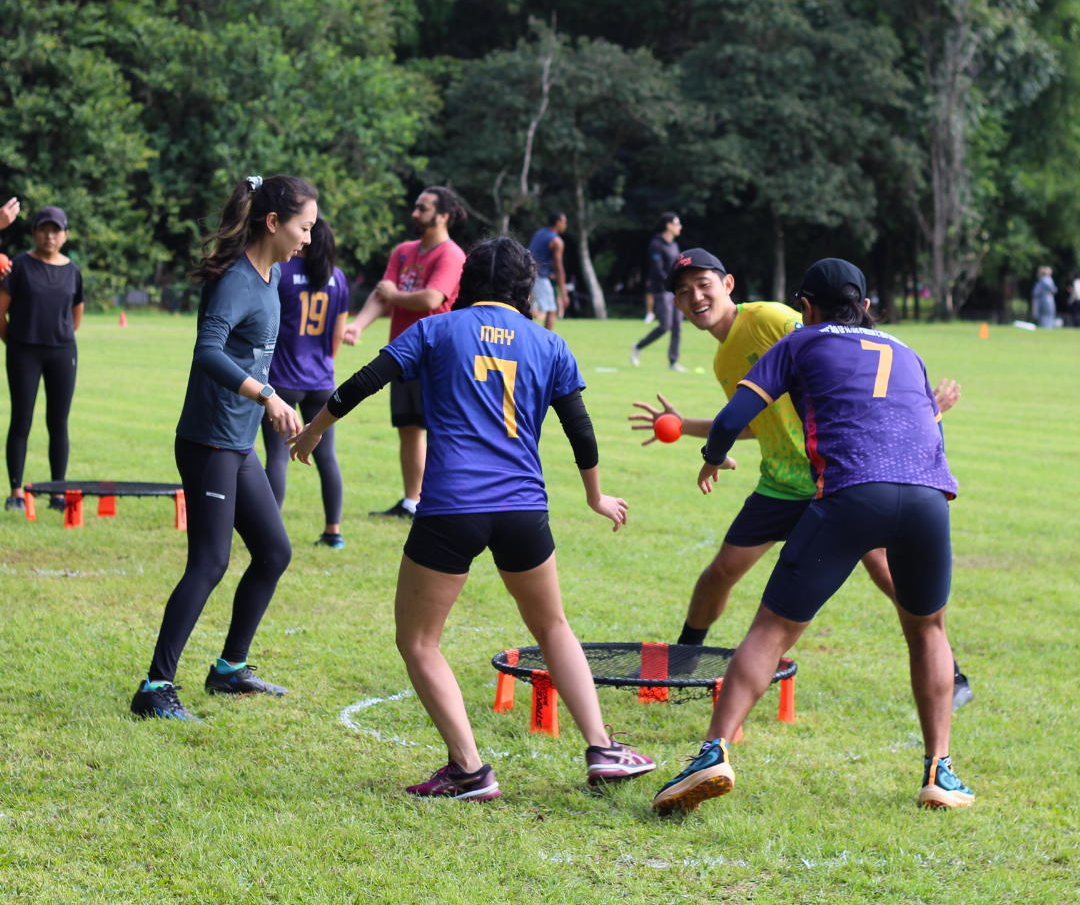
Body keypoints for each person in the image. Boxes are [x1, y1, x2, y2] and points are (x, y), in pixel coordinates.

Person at [290, 237, 655, 799]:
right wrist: (595, 496)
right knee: (553, 627)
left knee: (418, 642)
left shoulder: (435, 329)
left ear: (466, 283)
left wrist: (314, 430)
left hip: (451, 508)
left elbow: (364, 381)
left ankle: (469, 770)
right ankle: (603, 748)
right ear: (525, 287)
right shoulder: (549, 343)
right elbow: (580, 429)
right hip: (523, 508)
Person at [652, 259, 974, 814]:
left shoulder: (800, 341)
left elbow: (731, 420)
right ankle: (939, 771)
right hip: (927, 499)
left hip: (851, 494)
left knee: (772, 629)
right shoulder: (907, 351)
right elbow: (926, 424)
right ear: (866, 306)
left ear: (805, 307)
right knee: (928, 630)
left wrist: (712, 455)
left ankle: (712, 752)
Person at [130, 175, 316, 722]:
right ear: (273, 222)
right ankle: (155, 687)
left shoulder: (271, 276)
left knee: (274, 552)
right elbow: (207, 351)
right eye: (304, 227)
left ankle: (230, 669)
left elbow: (250, 354)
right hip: (209, 441)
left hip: (236, 443)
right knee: (209, 562)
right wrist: (267, 396)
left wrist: (276, 401)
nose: (308, 239)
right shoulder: (236, 281)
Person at [341, 186, 467, 519]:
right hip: (402, 356)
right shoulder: (403, 251)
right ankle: (413, 503)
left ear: (443, 216)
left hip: (437, 358)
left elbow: (431, 298)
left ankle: (444, 505)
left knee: (441, 432)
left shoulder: (451, 254)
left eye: (423, 208)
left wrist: (396, 294)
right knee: (409, 428)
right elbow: (381, 295)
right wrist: (358, 326)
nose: (415, 213)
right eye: (416, 207)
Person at [261, 217, 350, 549]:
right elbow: (338, 334)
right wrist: (323, 363)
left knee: (277, 457)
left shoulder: (281, 271)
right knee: (327, 458)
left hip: (282, 379)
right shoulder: (338, 278)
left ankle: (268, 533)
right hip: (322, 381)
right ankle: (333, 532)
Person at [0, 206, 83, 513]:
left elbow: (76, 317)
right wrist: (17, 343)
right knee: (21, 420)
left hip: (62, 352)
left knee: (58, 422)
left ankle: (58, 492)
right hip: (24, 352)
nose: (50, 236)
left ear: (65, 235)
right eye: (43, 229)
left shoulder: (73, 271)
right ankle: (16, 493)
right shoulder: (18, 266)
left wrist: (56, 338)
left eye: (56, 230)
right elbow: (0, 313)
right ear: (34, 232)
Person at [631, 213, 684, 371]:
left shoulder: (674, 245)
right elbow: (658, 269)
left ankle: (673, 362)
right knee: (665, 325)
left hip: (676, 289)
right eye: (677, 223)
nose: (679, 227)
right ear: (668, 225)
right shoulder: (656, 244)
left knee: (677, 325)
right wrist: (670, 283)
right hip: (662, 290)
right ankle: (638, 346)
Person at [527, 212, 569, 329]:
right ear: (558, 223)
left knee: (526, 309)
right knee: (551, 310)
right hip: (538, 276)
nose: (565, 225)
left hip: (525, 273)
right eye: (564, 222)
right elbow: (559, 268)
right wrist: (564, 294)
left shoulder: (539, 233)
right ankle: (547, 340)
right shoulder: (556, 241)